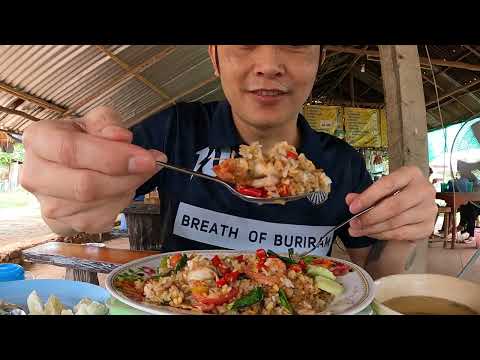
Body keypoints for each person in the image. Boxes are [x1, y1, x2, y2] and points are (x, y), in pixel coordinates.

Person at [20, 45, 437, 279]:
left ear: (319, 59)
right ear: (216, 58)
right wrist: (69, 196)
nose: (270, 65)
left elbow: (371, 274)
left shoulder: (342, 164)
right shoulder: (176, 129)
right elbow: (76, 218)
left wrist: (403, 233)